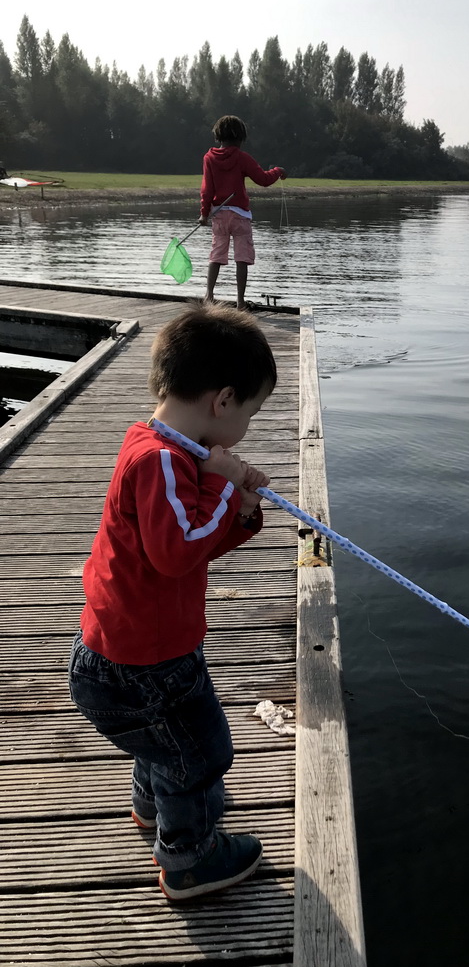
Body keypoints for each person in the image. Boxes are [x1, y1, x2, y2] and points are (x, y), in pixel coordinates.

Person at [68, 302, 277, 901]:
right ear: (223, 400)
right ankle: (189, 858)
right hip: (146, 662)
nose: (245, 431)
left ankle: (153, 805)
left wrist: (238, 507)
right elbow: (177, 552)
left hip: (131, 651)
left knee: (160, 739)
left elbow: (192, 539)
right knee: (201, 752)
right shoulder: (164, 461)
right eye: (251, 413)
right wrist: (222, 479)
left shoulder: (156, 442)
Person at [199, 115, 286, 310]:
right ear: (240, 138)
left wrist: (204, 213)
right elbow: (263, 179)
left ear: (218, 136)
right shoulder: (242, 158)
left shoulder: (209, 158)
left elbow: (207, 189)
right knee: (242, 258)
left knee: (216, 255)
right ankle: (239, 302)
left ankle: (209, 296)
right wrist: (278, 171)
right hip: (240, 215)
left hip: (219, 214)